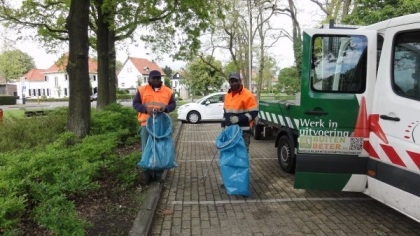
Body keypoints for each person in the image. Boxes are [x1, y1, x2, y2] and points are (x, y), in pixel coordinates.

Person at [132, 70, 176, 185]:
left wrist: (165, 109)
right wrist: (146, 110)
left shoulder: (168, 91)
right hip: (145, 124)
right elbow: (135, 104)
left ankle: (158, 174)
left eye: (158, 78)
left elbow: (173, 105)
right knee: (146, 149)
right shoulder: (142, 90)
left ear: (161, 79)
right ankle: (147, 174)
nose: (156, 80)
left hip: (161, 124)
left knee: (160, 149)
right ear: (149, 79)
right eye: (154, 78)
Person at [223, 72, 259, 153]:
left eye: (236, 81)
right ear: (229, 82)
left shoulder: (248, 95)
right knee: (231, 156)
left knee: (241, 156)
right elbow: (225, 112)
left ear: (240, 81)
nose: (234, 83)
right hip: (229, 132)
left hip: (243, 133)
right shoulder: (228, 95)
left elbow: (254, 113)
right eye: (232, 81)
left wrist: (238, 119)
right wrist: (223, 125)